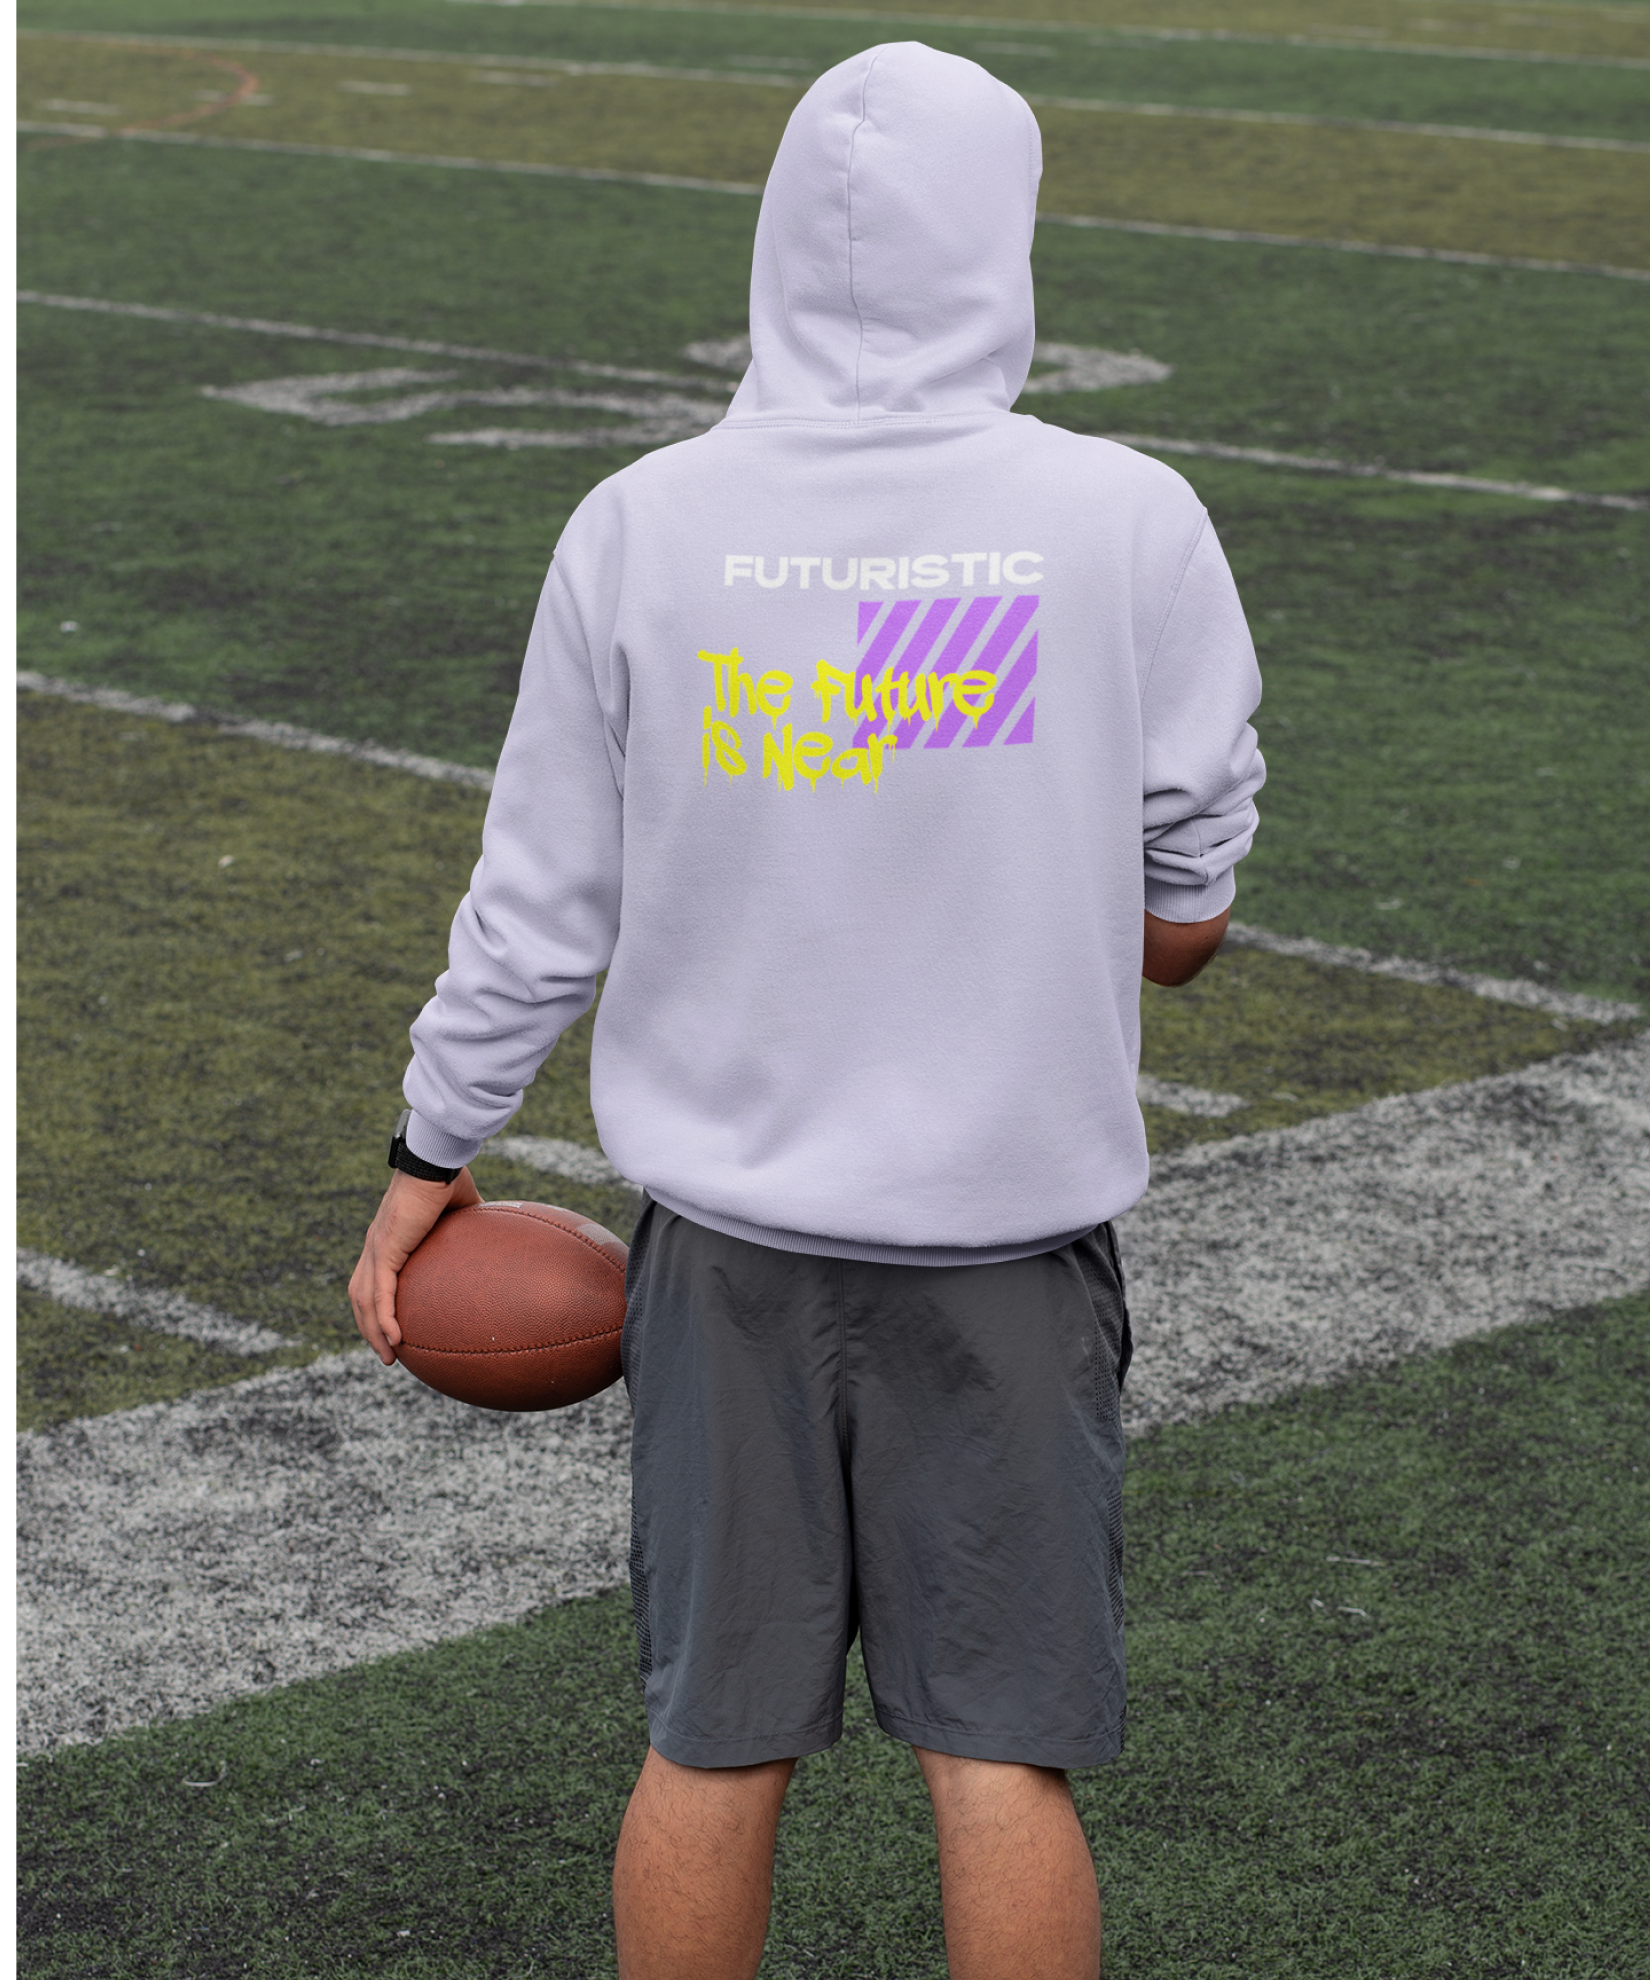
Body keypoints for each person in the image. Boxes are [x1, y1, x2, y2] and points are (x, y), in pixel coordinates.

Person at [351, 41, 1262, 1980]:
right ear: (1004, 239)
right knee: (998, 1757)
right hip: (1009, 1250)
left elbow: (538, 905)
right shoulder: (1127, 519)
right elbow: (1185, 921)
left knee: (712, 1741)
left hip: (730, 1261)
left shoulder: (643, 522)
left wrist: (432, 1151)